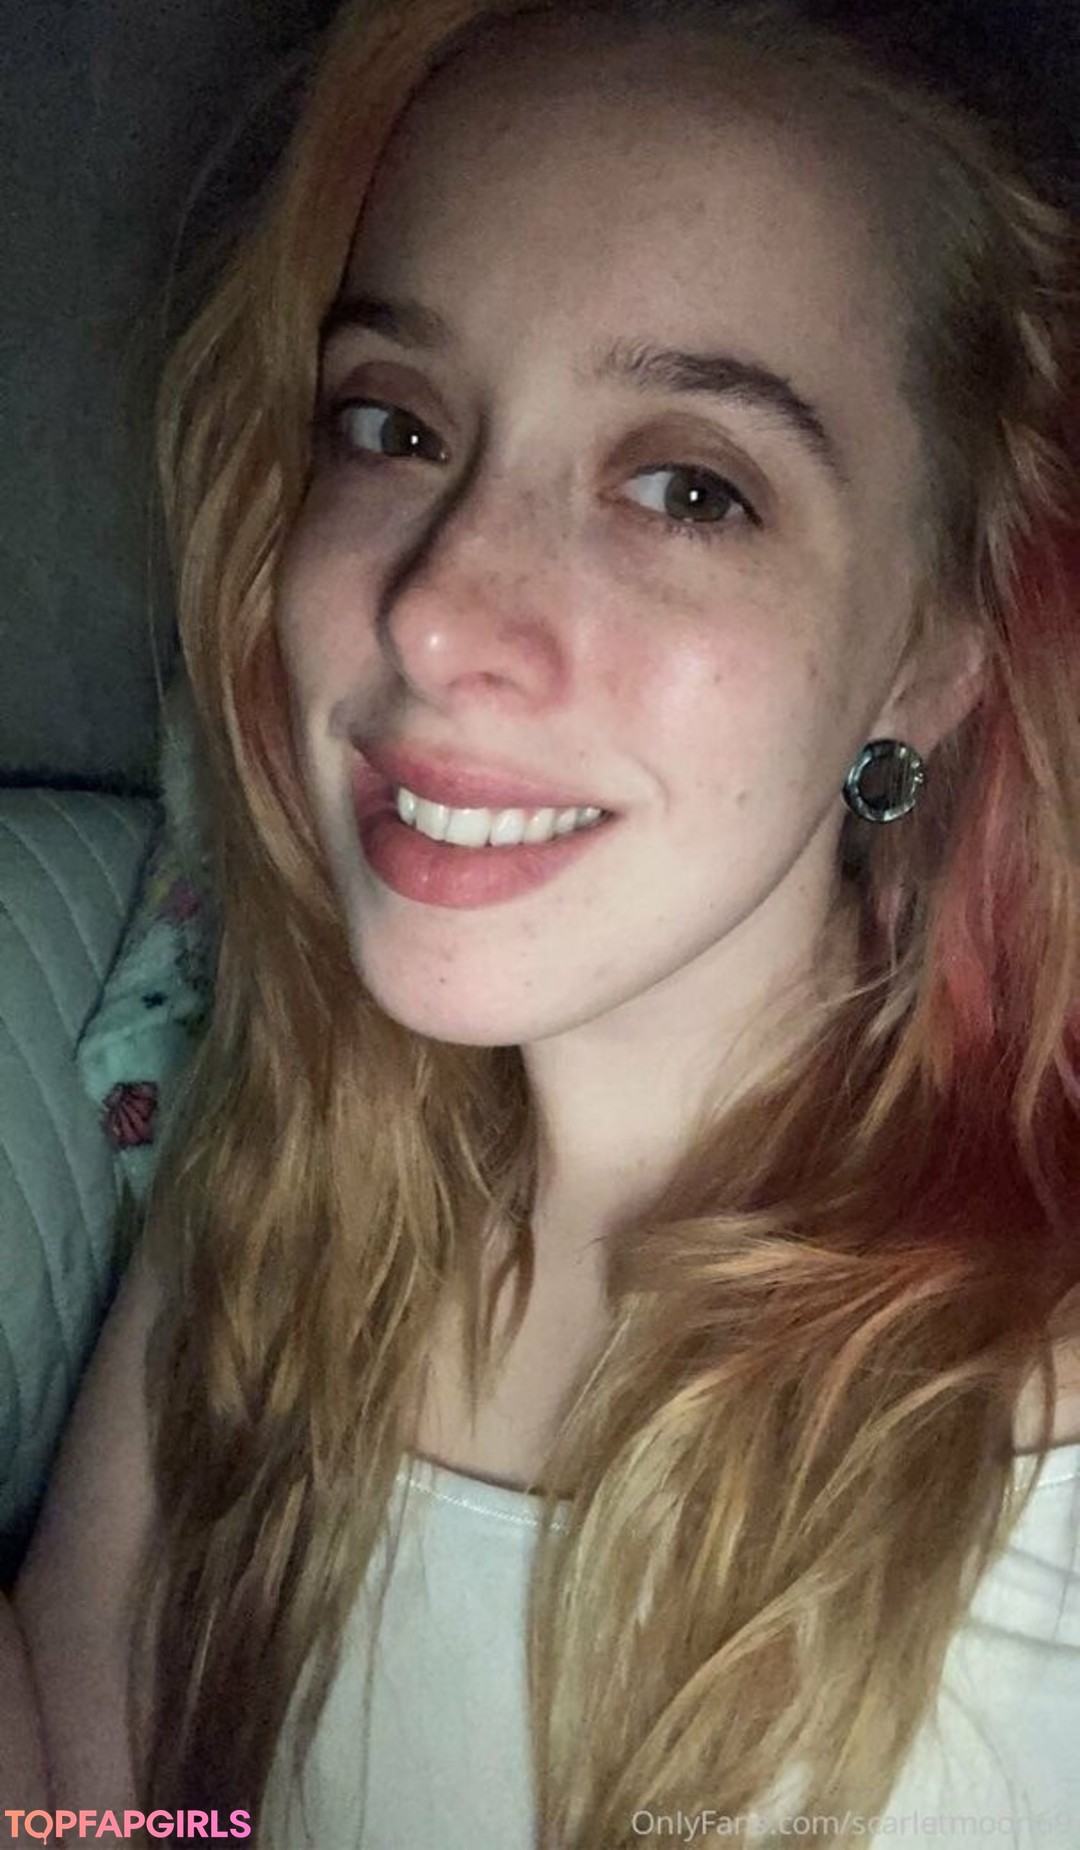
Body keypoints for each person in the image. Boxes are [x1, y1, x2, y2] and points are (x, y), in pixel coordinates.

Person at [12, 0, 1080, 1842]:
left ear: (935, 651)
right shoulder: (284, 1190)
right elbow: (109, 1814)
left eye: (690, 488)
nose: (433, 616)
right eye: (393, 425)